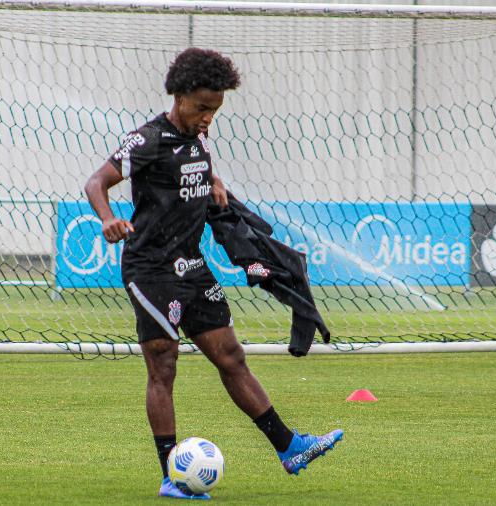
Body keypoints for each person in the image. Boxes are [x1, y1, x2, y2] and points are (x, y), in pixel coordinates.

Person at [84, 48, 343, 500]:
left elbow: (195, 170)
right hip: (150, 269)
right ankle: (171, 473)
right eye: (202, 107)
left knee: (231, 357)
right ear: (180, 96)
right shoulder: (146, 140)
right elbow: (95, 183)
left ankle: (289, 447)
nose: (208, 117)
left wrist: (214, 182)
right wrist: (108, 218)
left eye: (215, 110)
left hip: (192, 265)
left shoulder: (197, 139)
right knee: (164, 365)